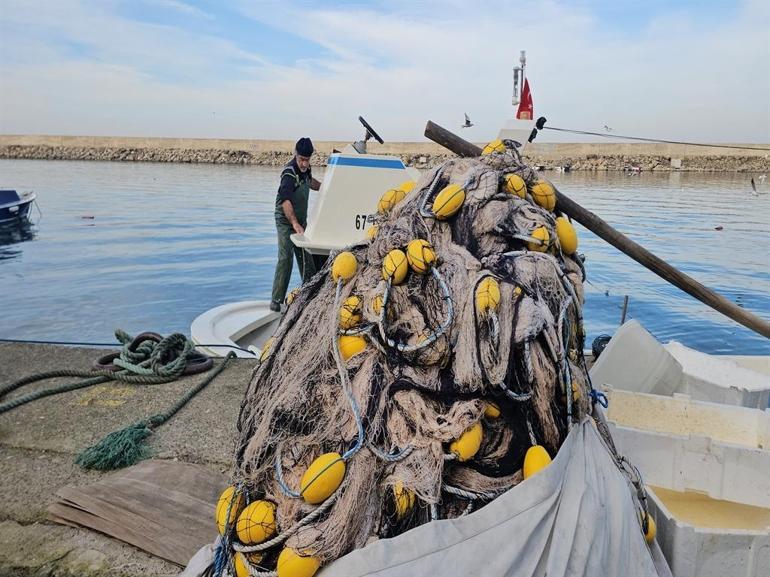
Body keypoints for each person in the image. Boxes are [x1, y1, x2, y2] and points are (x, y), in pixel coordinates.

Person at [270, 137, 321, 312]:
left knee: (306, 257)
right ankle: (276, 301)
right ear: (296, 155)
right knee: (286, 258)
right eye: (302, 159)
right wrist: (294, 223)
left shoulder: (306, 169)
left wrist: (325, 187)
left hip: (300, 221)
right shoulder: (289, 173)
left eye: (307, 160)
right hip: (286, 220)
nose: (304, 164)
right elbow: (285, 200)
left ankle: (311, 294)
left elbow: (311, 182)